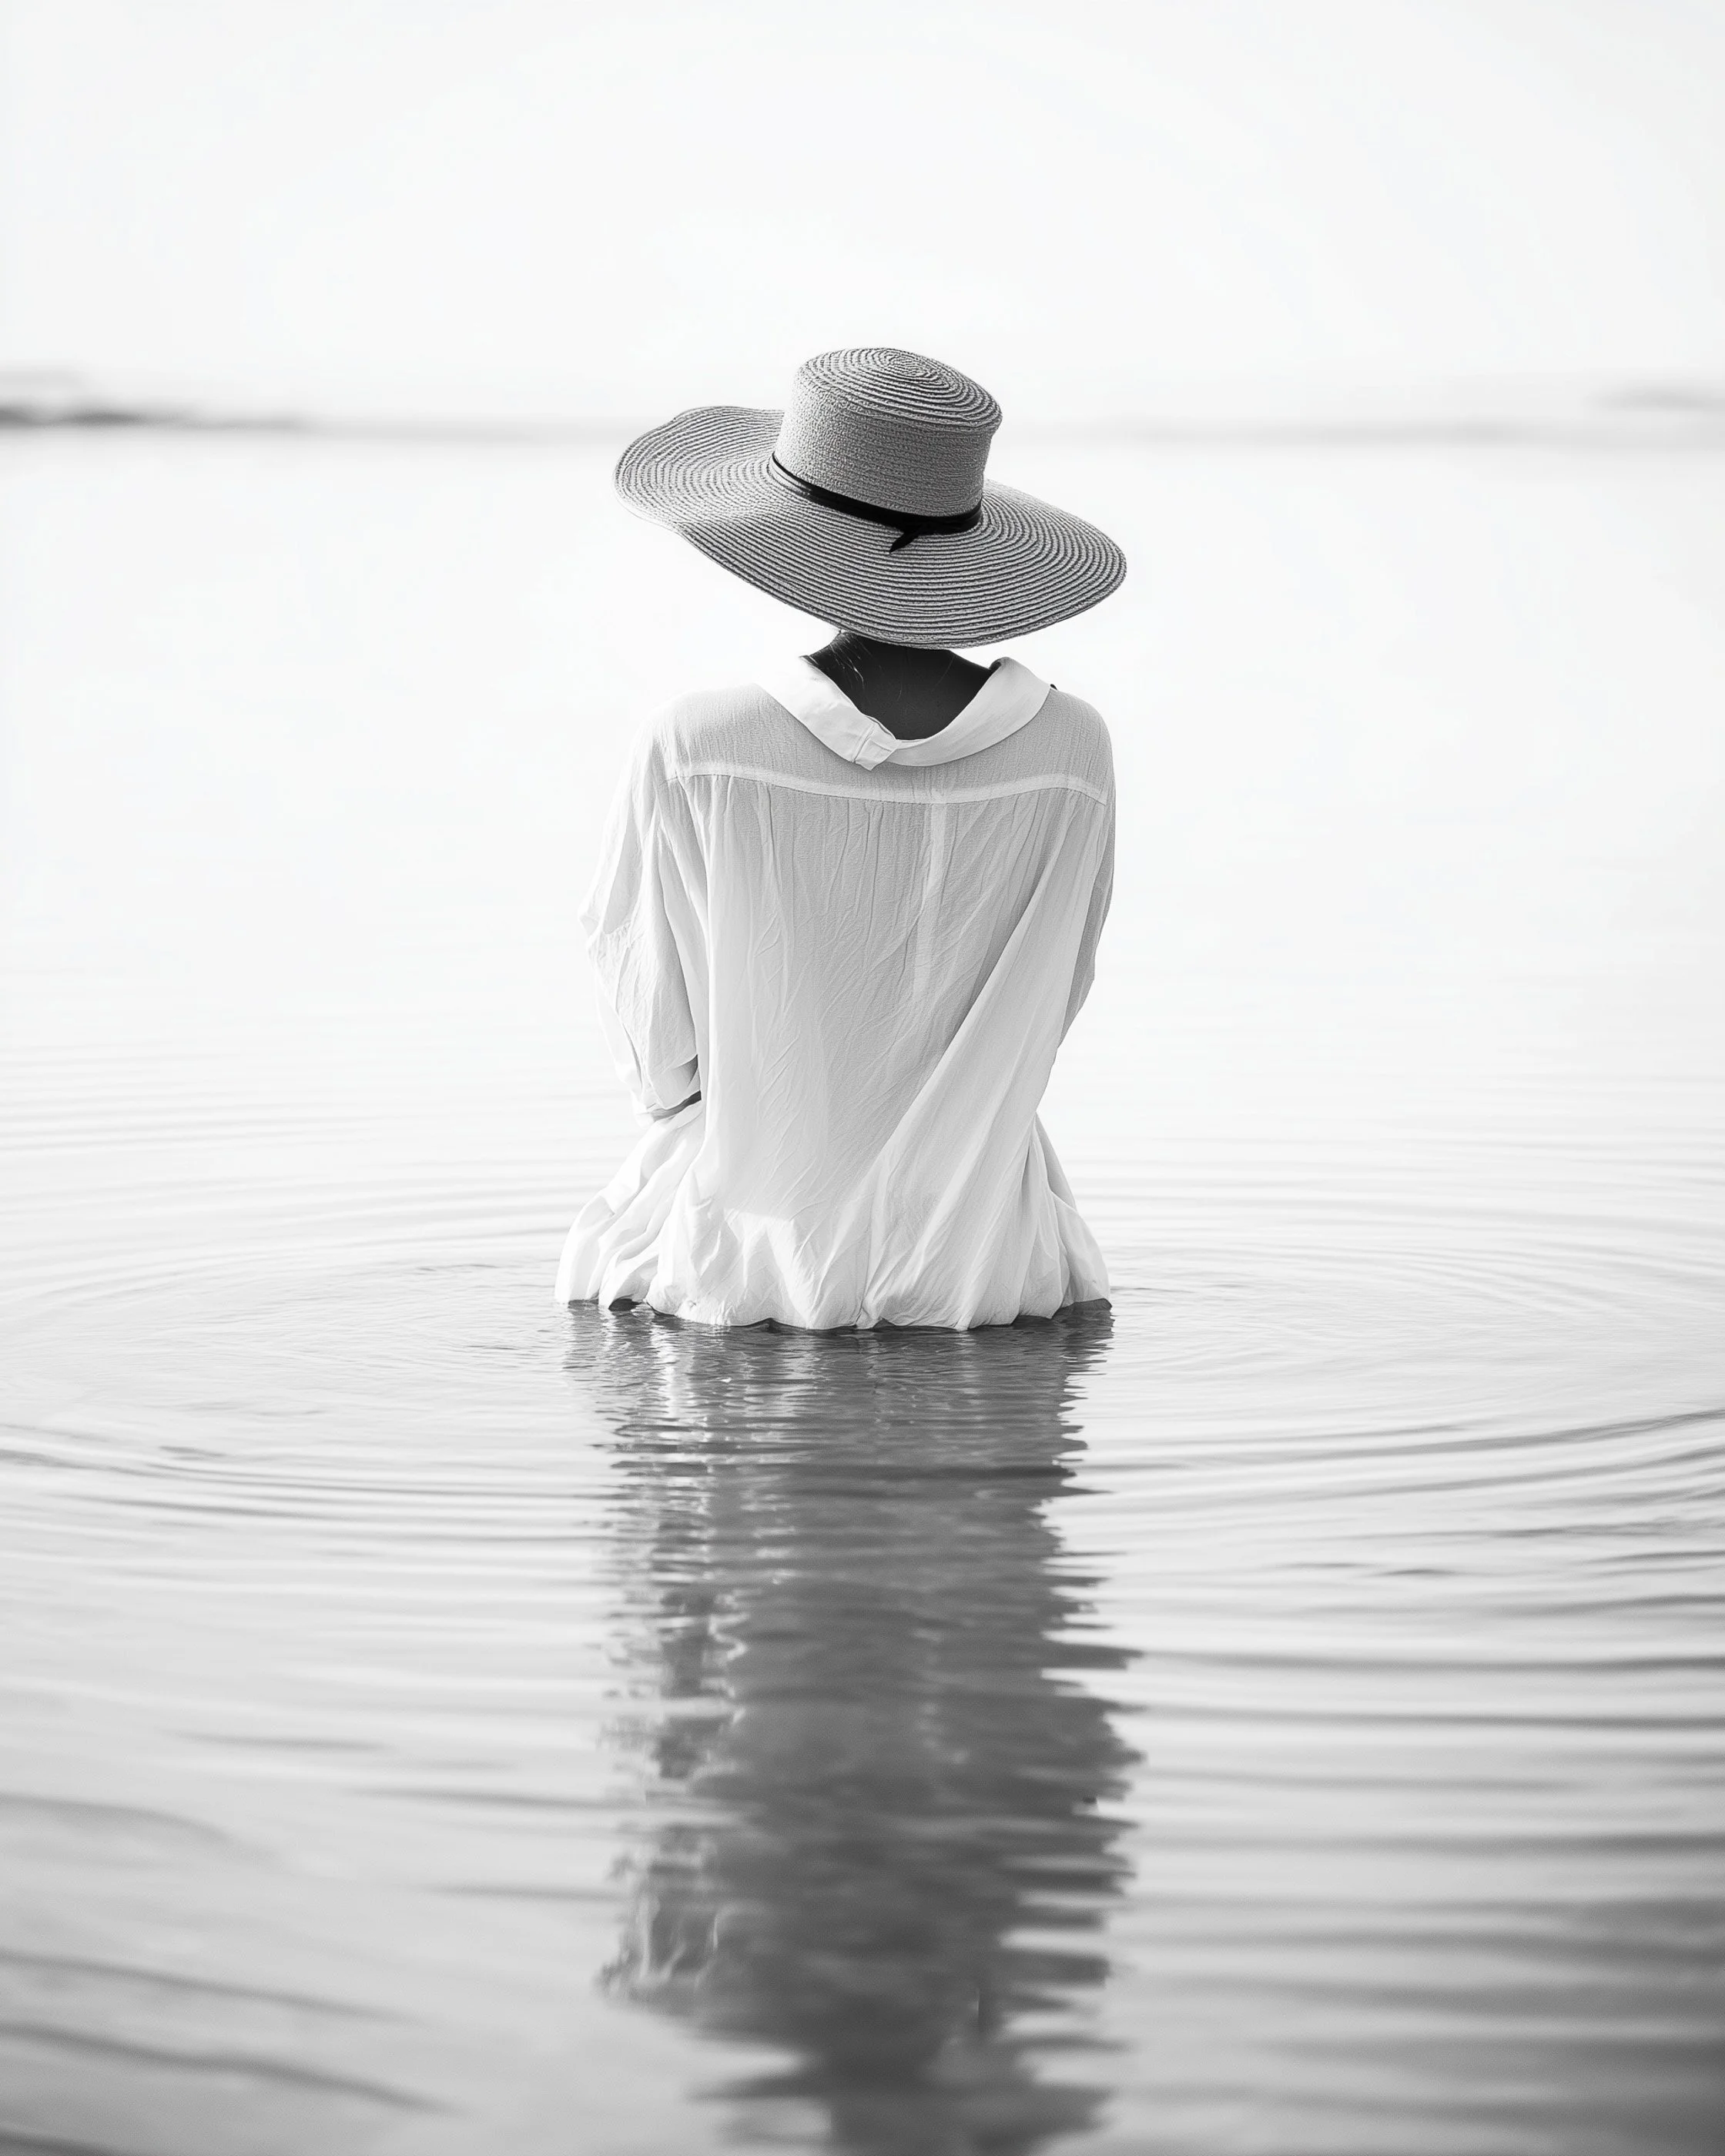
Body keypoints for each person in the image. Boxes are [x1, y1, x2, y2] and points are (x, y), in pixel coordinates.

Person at [557, 346, 1126, 1331]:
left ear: (783, 540)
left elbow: (661, 1061)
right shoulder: (1072, 753)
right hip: (989, 1265)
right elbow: (1056, 1000)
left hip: (745, 1266)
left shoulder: (698, 748)